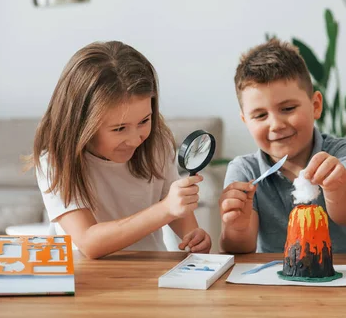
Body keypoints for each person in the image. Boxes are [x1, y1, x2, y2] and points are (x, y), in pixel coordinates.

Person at [30, 41, 211, 259]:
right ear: (81, 124)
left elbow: (176, 209)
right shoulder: (55, 162)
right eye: (119, 128)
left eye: (144, 121)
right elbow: (89, 242)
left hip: (150, 272)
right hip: (86, 281)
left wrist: (193, 235)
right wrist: (165, 209)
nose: (135, 140)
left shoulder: (156, 143)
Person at [219, 39, 346, 254]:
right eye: (260, 115)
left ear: (316, 106)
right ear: (246, 122)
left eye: (288, 108)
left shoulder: (344, 153)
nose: (276, 125)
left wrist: (336, 187)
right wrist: (236, 226)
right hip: (273, 283)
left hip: (344, 281)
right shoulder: (244, 171)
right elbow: (238, 248)